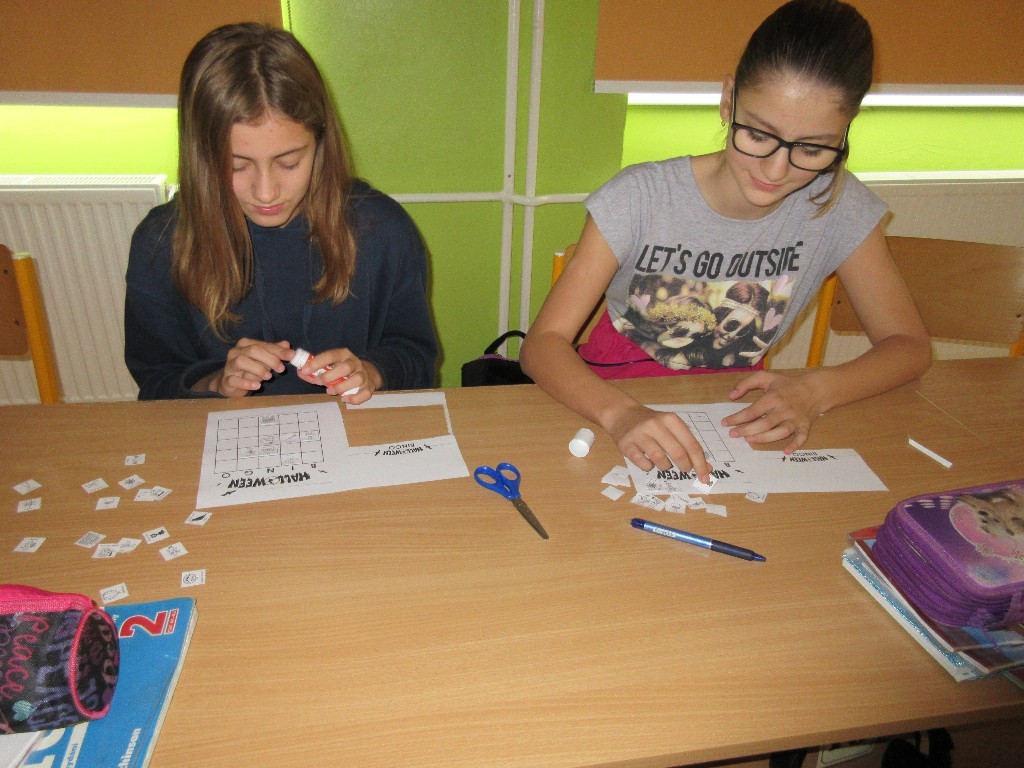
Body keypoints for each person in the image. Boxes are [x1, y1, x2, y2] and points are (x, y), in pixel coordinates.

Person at [520, 0, 931, 482]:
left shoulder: (839, 206)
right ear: (728, 100)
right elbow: (542, 345)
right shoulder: (640, 197)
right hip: (608, 405)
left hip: (734, 416)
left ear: (845, 130)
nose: (775, 171)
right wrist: (621, 413)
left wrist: (815, 390)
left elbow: (908, 347)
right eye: (758, 135)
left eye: (812, 148)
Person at [125, 23, 437, 401]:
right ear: (201, 157)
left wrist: (371, 372)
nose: (266, 192)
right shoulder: (162, 243)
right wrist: (216, 382)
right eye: (236, 165)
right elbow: (156, 381)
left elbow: (417, 358)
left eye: (288, 162)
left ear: (320, 143)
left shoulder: (382, 231)